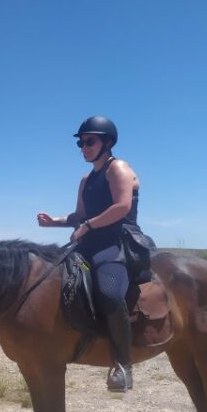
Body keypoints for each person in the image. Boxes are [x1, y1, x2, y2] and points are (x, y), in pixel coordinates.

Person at [37, 116, 154, 392]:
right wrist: (53, 221)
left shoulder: (119, 169)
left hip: (117, 243)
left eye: (90, 141)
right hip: (89, 243)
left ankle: (123, 365)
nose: (84, 147)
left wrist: (86, 226)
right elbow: (79, 215)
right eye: (81, 142)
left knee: (109, 292)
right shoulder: (86, 179)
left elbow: (122, 207)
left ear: (107, 142)